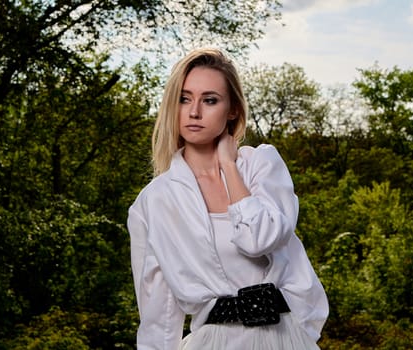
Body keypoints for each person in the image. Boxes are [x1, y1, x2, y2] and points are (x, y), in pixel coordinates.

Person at [127, 48, 328, 350]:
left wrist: (229, 166)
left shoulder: (261, 165)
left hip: (284, 338)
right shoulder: (153, 202)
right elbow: (159, 312)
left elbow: (260, 239)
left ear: (232, 109)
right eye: (184, 99)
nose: (194, 112)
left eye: (210, 100)